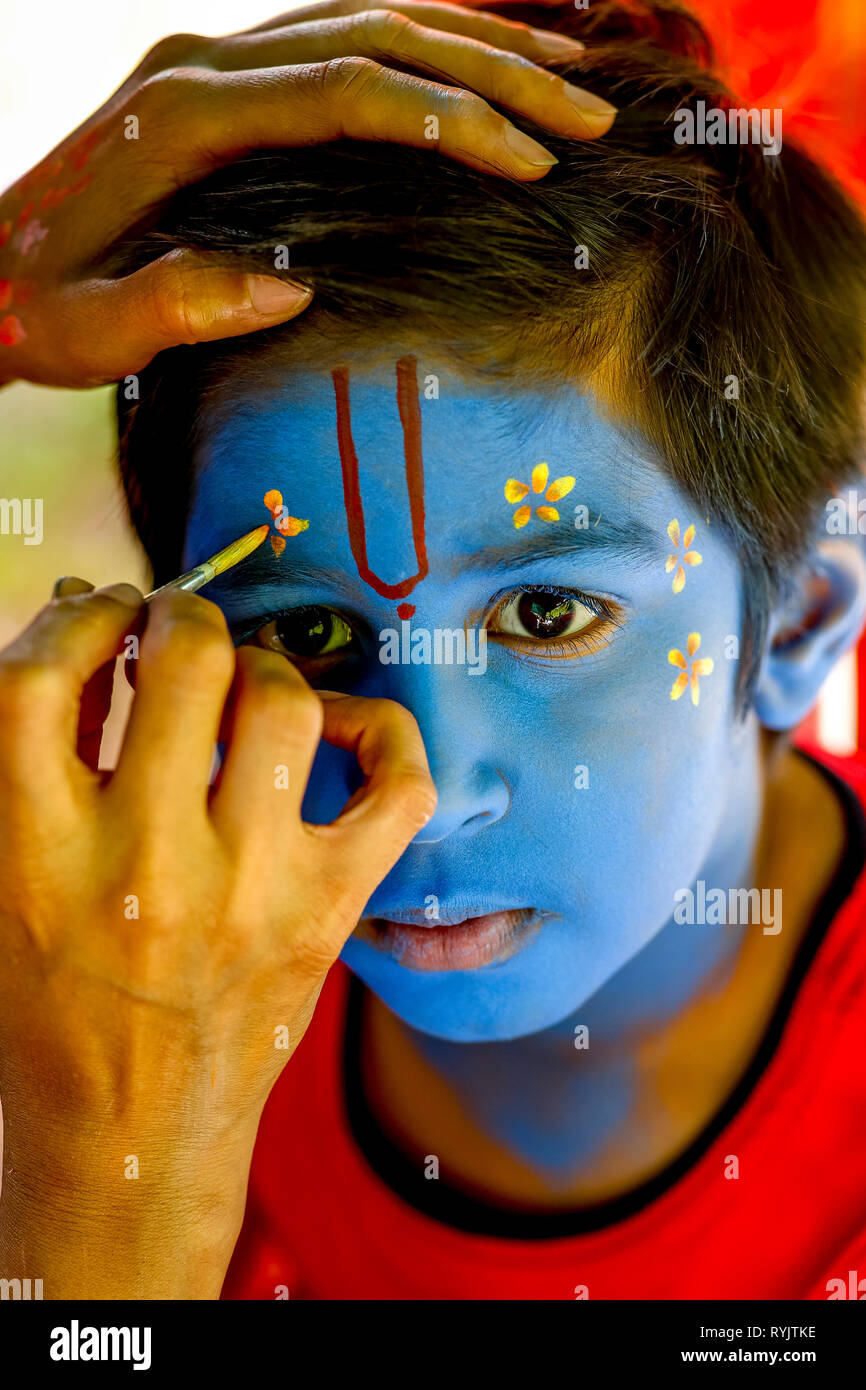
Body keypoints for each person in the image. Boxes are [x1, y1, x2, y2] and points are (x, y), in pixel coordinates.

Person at [1, 0, 865, 1301]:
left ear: (794, 620)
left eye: (546, 614)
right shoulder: (94, 994)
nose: (428, 792)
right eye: (307, 630)